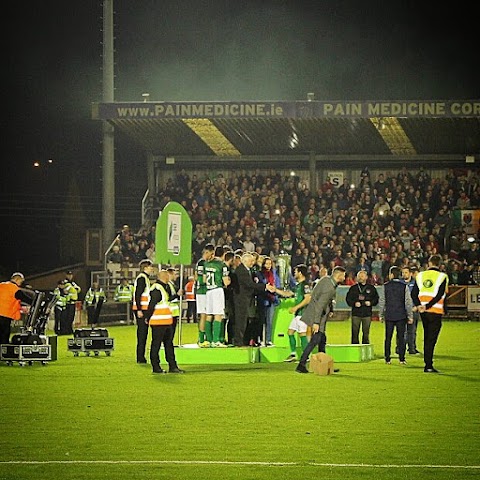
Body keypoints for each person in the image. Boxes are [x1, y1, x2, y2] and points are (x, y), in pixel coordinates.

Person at [295, 266, 346, 373]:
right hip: (317, 317)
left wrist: (330, 309)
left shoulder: (327, 280)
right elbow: (320, 305)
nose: (345, 278)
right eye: (344, 275)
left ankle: (325, 364)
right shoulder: (329, 287)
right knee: (315, 340)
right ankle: (301, 364)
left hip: (318, 314)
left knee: (322, 340)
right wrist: (316, 322)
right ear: (339, 275)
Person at [411, 254, 449, 373]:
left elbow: (414, 293)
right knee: (431, 339)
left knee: (427, 336)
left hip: (423, 312)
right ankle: (428, 365)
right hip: (435, 311)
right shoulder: (442, 276)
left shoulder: (420, 275)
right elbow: (440, 295)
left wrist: (419, 305)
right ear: (439, 264)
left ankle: (428, 363)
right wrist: (428, 306)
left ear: (429, 263)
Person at [232, 252, 276, 347]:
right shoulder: (242, 270)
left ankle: (241, 341)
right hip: (241, 299)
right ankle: (238, 342)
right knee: (240, 321)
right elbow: (249, 284)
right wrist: (265, 286)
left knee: (243, 321)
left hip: (245, 298)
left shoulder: (247, 270)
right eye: (251, 261)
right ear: (246, 261)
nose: (253, 262)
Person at [146, 269, 184, 374]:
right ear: (164, 276)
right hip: (158, 322)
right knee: (156, 344)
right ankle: (156, 367)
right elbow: (151, 305)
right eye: (167, 275)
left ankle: (173, 366)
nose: (169, 277)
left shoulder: (163, 287)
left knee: (168, 344)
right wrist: (147, 318)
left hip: (166, 321)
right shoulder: (157, 288)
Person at [378, 266, 414, 365]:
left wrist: (381, 314)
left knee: (388, 337)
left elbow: (382, 301)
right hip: (401, 315)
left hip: (389, 315)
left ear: (391, 275)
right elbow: (408, 302)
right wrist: (410, 315)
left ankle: (387, 358)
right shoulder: (404, 286)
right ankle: (401, 359)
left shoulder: (385, 286)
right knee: (401, 337)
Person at [283, 264, 311, 362]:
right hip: (297, 314)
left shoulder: (305, 285)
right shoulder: (297, 286)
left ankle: (306, 356)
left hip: (303, 313)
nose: (294, 273)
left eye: (295, 271)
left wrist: (296, 307)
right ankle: (293, 354)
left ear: (300, 273)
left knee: (302, 334)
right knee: (290, 332)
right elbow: (287, 293)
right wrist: (275, 290)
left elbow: (308, 299)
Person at [204, 246, 231, 347]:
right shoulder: (222, 265)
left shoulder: (206, 264)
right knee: (218, 315)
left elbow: (204, 279)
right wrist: (229, 281)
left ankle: (209, 340)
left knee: (209, 315)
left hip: (208, 290)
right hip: (217, 291)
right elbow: (226, 282)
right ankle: (216, 341)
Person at [345, 270, 379, 344]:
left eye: (362, 276)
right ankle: (354, 349)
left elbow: (376, 299)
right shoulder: (353, 288)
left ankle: (365, 348)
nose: (360, 278)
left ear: (366, 277)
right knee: (355, 333)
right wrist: (354, 303)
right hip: (356, 314)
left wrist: (370, 303)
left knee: (366, 334)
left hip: (367, 314)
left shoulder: (371, 288)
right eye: (359, 276)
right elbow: (348, 299)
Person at [0, 272, 34, 345]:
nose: (21, 283)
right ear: (17, 279)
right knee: (4, 335)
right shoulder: (14, 288)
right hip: (4, 315)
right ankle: (4, 352)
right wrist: (35, 303)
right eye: (21, 281)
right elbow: (25, 298)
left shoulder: (1, 285)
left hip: (2, 313)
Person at [256, 256, 282, 346]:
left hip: (272, 299)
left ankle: (268, 340)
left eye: (270, 263)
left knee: (270, 321)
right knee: (261, 320)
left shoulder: (274, 274)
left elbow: (277, 285)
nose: (268, 265)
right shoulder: (259, 274)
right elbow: (260, 285)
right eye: (266, 263)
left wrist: (275, 289)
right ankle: (260, 339)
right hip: (262, 299)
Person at [133, 259, 154, 363]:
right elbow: (138, 295)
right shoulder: (142, 278)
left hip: (143, 309)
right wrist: (139, 309)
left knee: (143, 333)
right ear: (145, 267)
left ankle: (141, 356)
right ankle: (140, 357)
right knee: (142, 333)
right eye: (150, 267)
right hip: (142, 309)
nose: (152, 269)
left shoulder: (144, 278)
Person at [195, 243, 215, 347]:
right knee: (203, 315)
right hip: (202, 292)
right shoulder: (202, 263)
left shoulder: (209, 262)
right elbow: (199, 278)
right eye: (210, 254)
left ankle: (208, 338)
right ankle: (201, 339)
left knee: (209, 314)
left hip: (209, 291)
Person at [400, 266, 421, 354]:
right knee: (401, 331)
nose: (404, 274)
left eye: (406, 272)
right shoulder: (399, 283)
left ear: (410, 273)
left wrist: (417, 306)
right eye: (403, 272)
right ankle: (400, 348)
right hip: (402, 311)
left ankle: (412, 348)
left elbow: (419, 296)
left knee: (412, 331)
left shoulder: (416, 283)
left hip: (413, 310)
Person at [62, 270, 81, 335]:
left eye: (71, 275)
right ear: (66, 275)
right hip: (68, 302)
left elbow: (78, 289)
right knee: (67, 317)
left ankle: (69, 329)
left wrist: (74, 289)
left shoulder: (72, 283)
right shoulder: (65, 282)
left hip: (73, 302)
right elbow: (65, 291)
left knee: (71, 317)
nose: (70, 276)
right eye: (69, 275)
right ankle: (66, 330)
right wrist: (74, 289)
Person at [166, 267, 182, 341]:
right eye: (175, 274)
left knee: (172, 331)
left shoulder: (172, 284)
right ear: (170, 274)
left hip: (173, 311)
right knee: (170, 331)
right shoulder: (167, 285)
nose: (176, 276)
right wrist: (177, 295)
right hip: (169, 311)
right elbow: (168, 298)